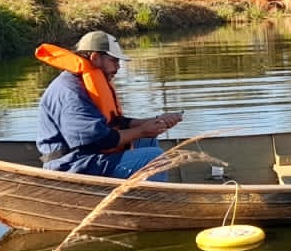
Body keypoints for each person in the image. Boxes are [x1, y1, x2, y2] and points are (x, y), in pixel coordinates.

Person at [36, 31, 183, 180]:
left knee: (148, 139)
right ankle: (150, 201)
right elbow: (99, 140)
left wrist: (155, 121)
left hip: (91, 157)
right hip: (73, 165)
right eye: (114, 61)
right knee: (155, 157)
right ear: (95, 58)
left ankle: (139, 195)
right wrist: (143, 130)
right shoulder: (71, 92)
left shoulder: (86, 83)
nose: (118, 67)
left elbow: (115, 122)